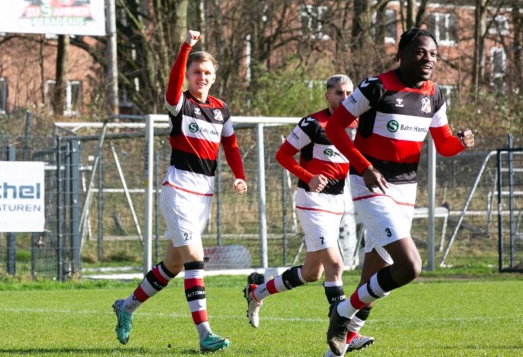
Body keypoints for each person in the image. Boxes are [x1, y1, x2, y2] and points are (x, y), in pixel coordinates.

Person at [323, 28, 475, 356]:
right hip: (370, 184)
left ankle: (337, 347)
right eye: (421, 52)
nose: (428, 59)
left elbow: (444, 144)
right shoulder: (375, 87)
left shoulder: (434, 94)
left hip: (406, 189)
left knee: (375, 278)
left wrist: (461, 141)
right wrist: (363, 167)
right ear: (402, 52)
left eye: (433, 54)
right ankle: (343, 312)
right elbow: (335, 127)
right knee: (409, 266)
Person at [112, 30, 247, 353]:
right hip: (179, 189)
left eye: (207, 73)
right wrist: (186, 47)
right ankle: (205, 335)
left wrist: (239, 176)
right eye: (196, 72)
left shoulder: (221, 109)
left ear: (214, 78)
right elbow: (173, 87)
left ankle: (126, 306)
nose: (202, 77)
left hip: (205, 194)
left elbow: (230, 144)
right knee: (195, 260)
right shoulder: (180, 104)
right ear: (188, 75)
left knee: (172, 265)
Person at [242, 74, 374, 352]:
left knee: (312, 272)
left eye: (349, 93)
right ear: (327, 96)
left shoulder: (357, 125)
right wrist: (308, 176)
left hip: (338, 203)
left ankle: (257, 292)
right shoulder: (313, 124)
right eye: (338, 93)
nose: (345, 98)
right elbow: (282, 155)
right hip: (311, 201)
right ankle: (344, 334)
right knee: (336, 265)